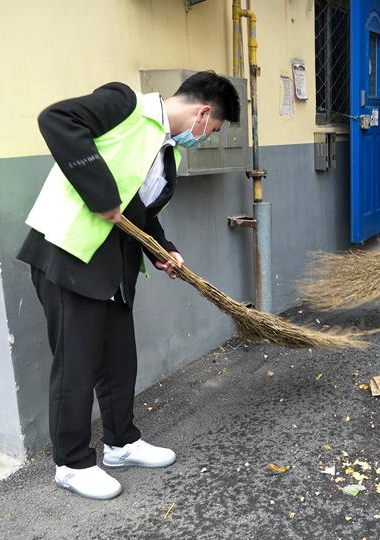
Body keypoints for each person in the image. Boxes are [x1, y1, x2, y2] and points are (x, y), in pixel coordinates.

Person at [17, 71, 241, 500]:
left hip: (113, 265)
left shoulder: (165, 152)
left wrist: (164, 249)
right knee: (76, 364)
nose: (205, 138)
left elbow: (137, 211)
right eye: (210, 131)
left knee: (119, 360)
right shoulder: (125, 104)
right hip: (69, 256)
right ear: (203, 112)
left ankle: (121, 443)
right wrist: (101, 196)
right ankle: (71, 464)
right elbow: (56, 120)